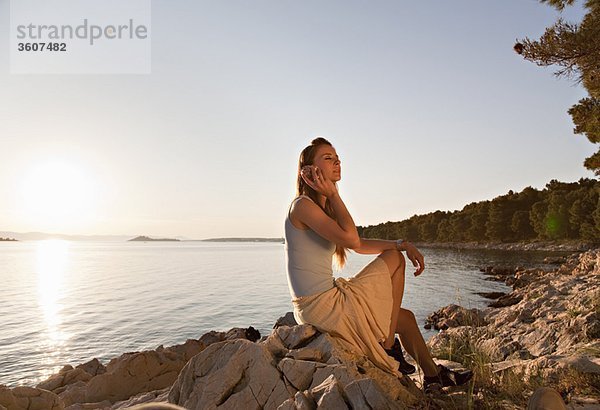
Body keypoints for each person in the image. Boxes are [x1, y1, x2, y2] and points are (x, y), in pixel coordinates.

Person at [284, 137, 472, 389]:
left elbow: (359, 244)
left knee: (404, 318)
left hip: (325, 300)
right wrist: (334, 194)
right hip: (320, 307)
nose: (337, 161)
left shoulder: (320, 209)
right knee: (395, 260)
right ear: (307, 171)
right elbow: (351, 239)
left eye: (337, 157)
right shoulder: (302, 206)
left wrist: (400, 243)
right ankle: (388, 346)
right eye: (328, 158)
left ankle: (431, 375)